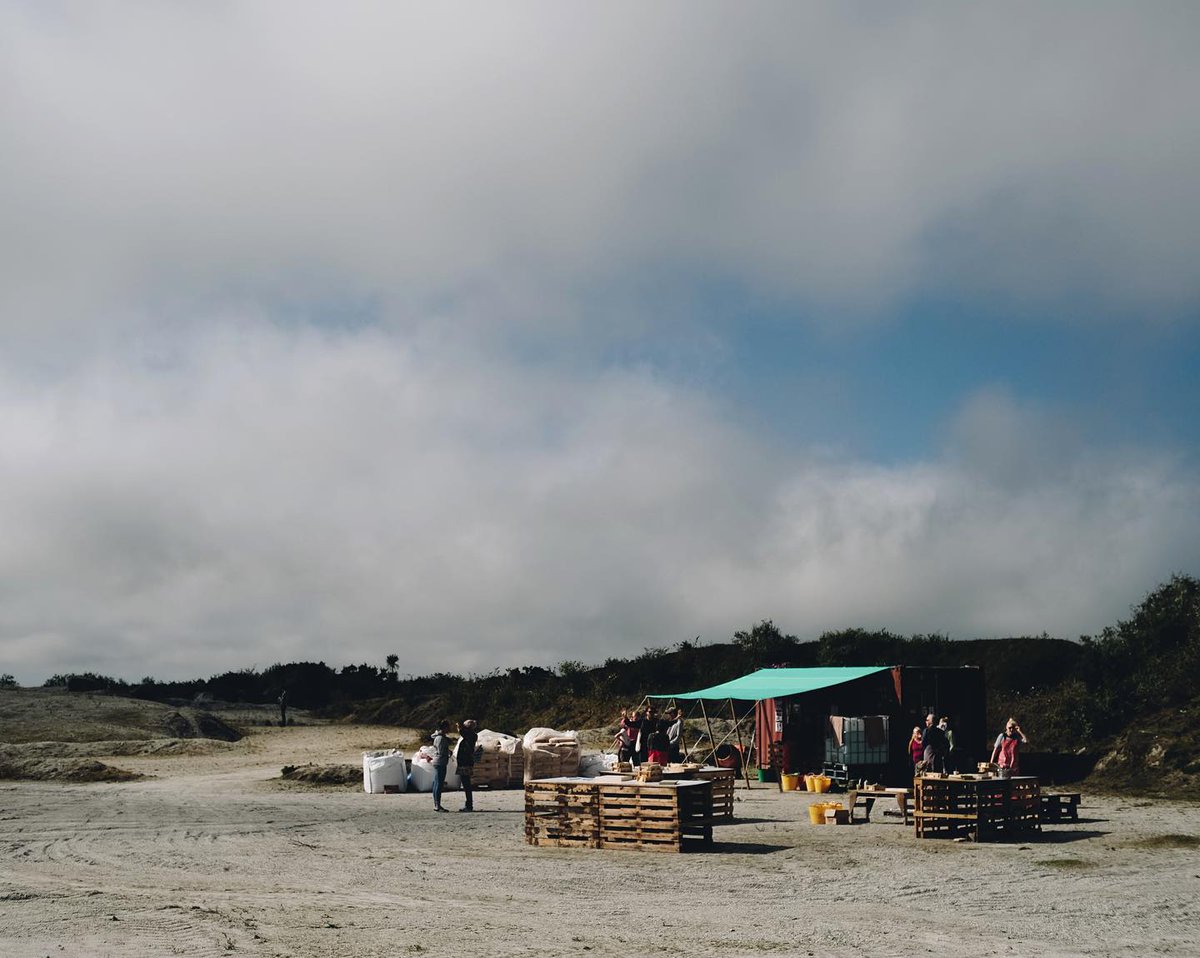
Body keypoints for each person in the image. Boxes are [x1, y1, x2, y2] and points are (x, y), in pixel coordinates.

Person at [455, 719, 478, 812]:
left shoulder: (471, 735)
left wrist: (459, 726)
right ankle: (468, 804)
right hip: (465, 762)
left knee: (466, 784)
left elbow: (462, 731)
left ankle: (469, 805)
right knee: (466, 784)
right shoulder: (471, 735)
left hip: (465, 762)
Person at [431, 719, 451, 812]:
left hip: (436, 761)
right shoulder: (441, 738)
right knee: (439, 783)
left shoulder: (437, 737)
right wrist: (448, 753)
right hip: (440, 762)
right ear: (445, 727)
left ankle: (436, 803)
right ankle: (437, 805)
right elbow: (441, 751)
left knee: (436, 782)